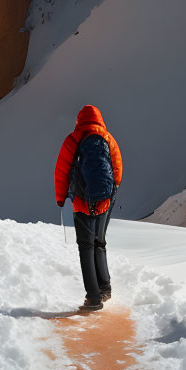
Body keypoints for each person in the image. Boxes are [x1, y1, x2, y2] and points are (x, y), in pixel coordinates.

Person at [54, 105, 123, 311]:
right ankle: (105, 288)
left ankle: (93, 298)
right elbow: (117, 171)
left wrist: (61, 199)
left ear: (79, 120)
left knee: (86, 247)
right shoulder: (108, 139)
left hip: (82, 203)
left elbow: (62, 171)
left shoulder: (73, 140)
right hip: (104, 203)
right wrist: (108, 196)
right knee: (99, 242)